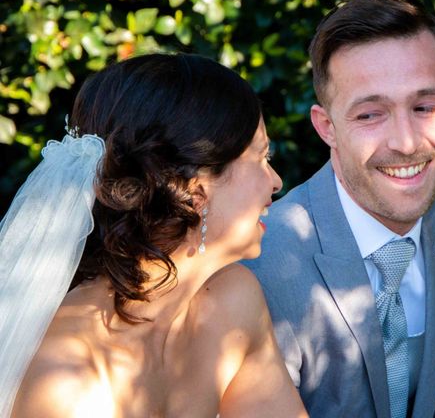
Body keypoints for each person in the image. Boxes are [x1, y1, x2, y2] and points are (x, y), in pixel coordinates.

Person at [0, 53, 308, 417]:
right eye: (261, 157)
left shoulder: (233, 299)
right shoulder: (68, 377)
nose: (276, 181)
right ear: (196, 192)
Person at [244, 0, 435, 417]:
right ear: (326, 127)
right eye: (369, 114)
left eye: (424, 106)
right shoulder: (265, 262)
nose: (405, 143)